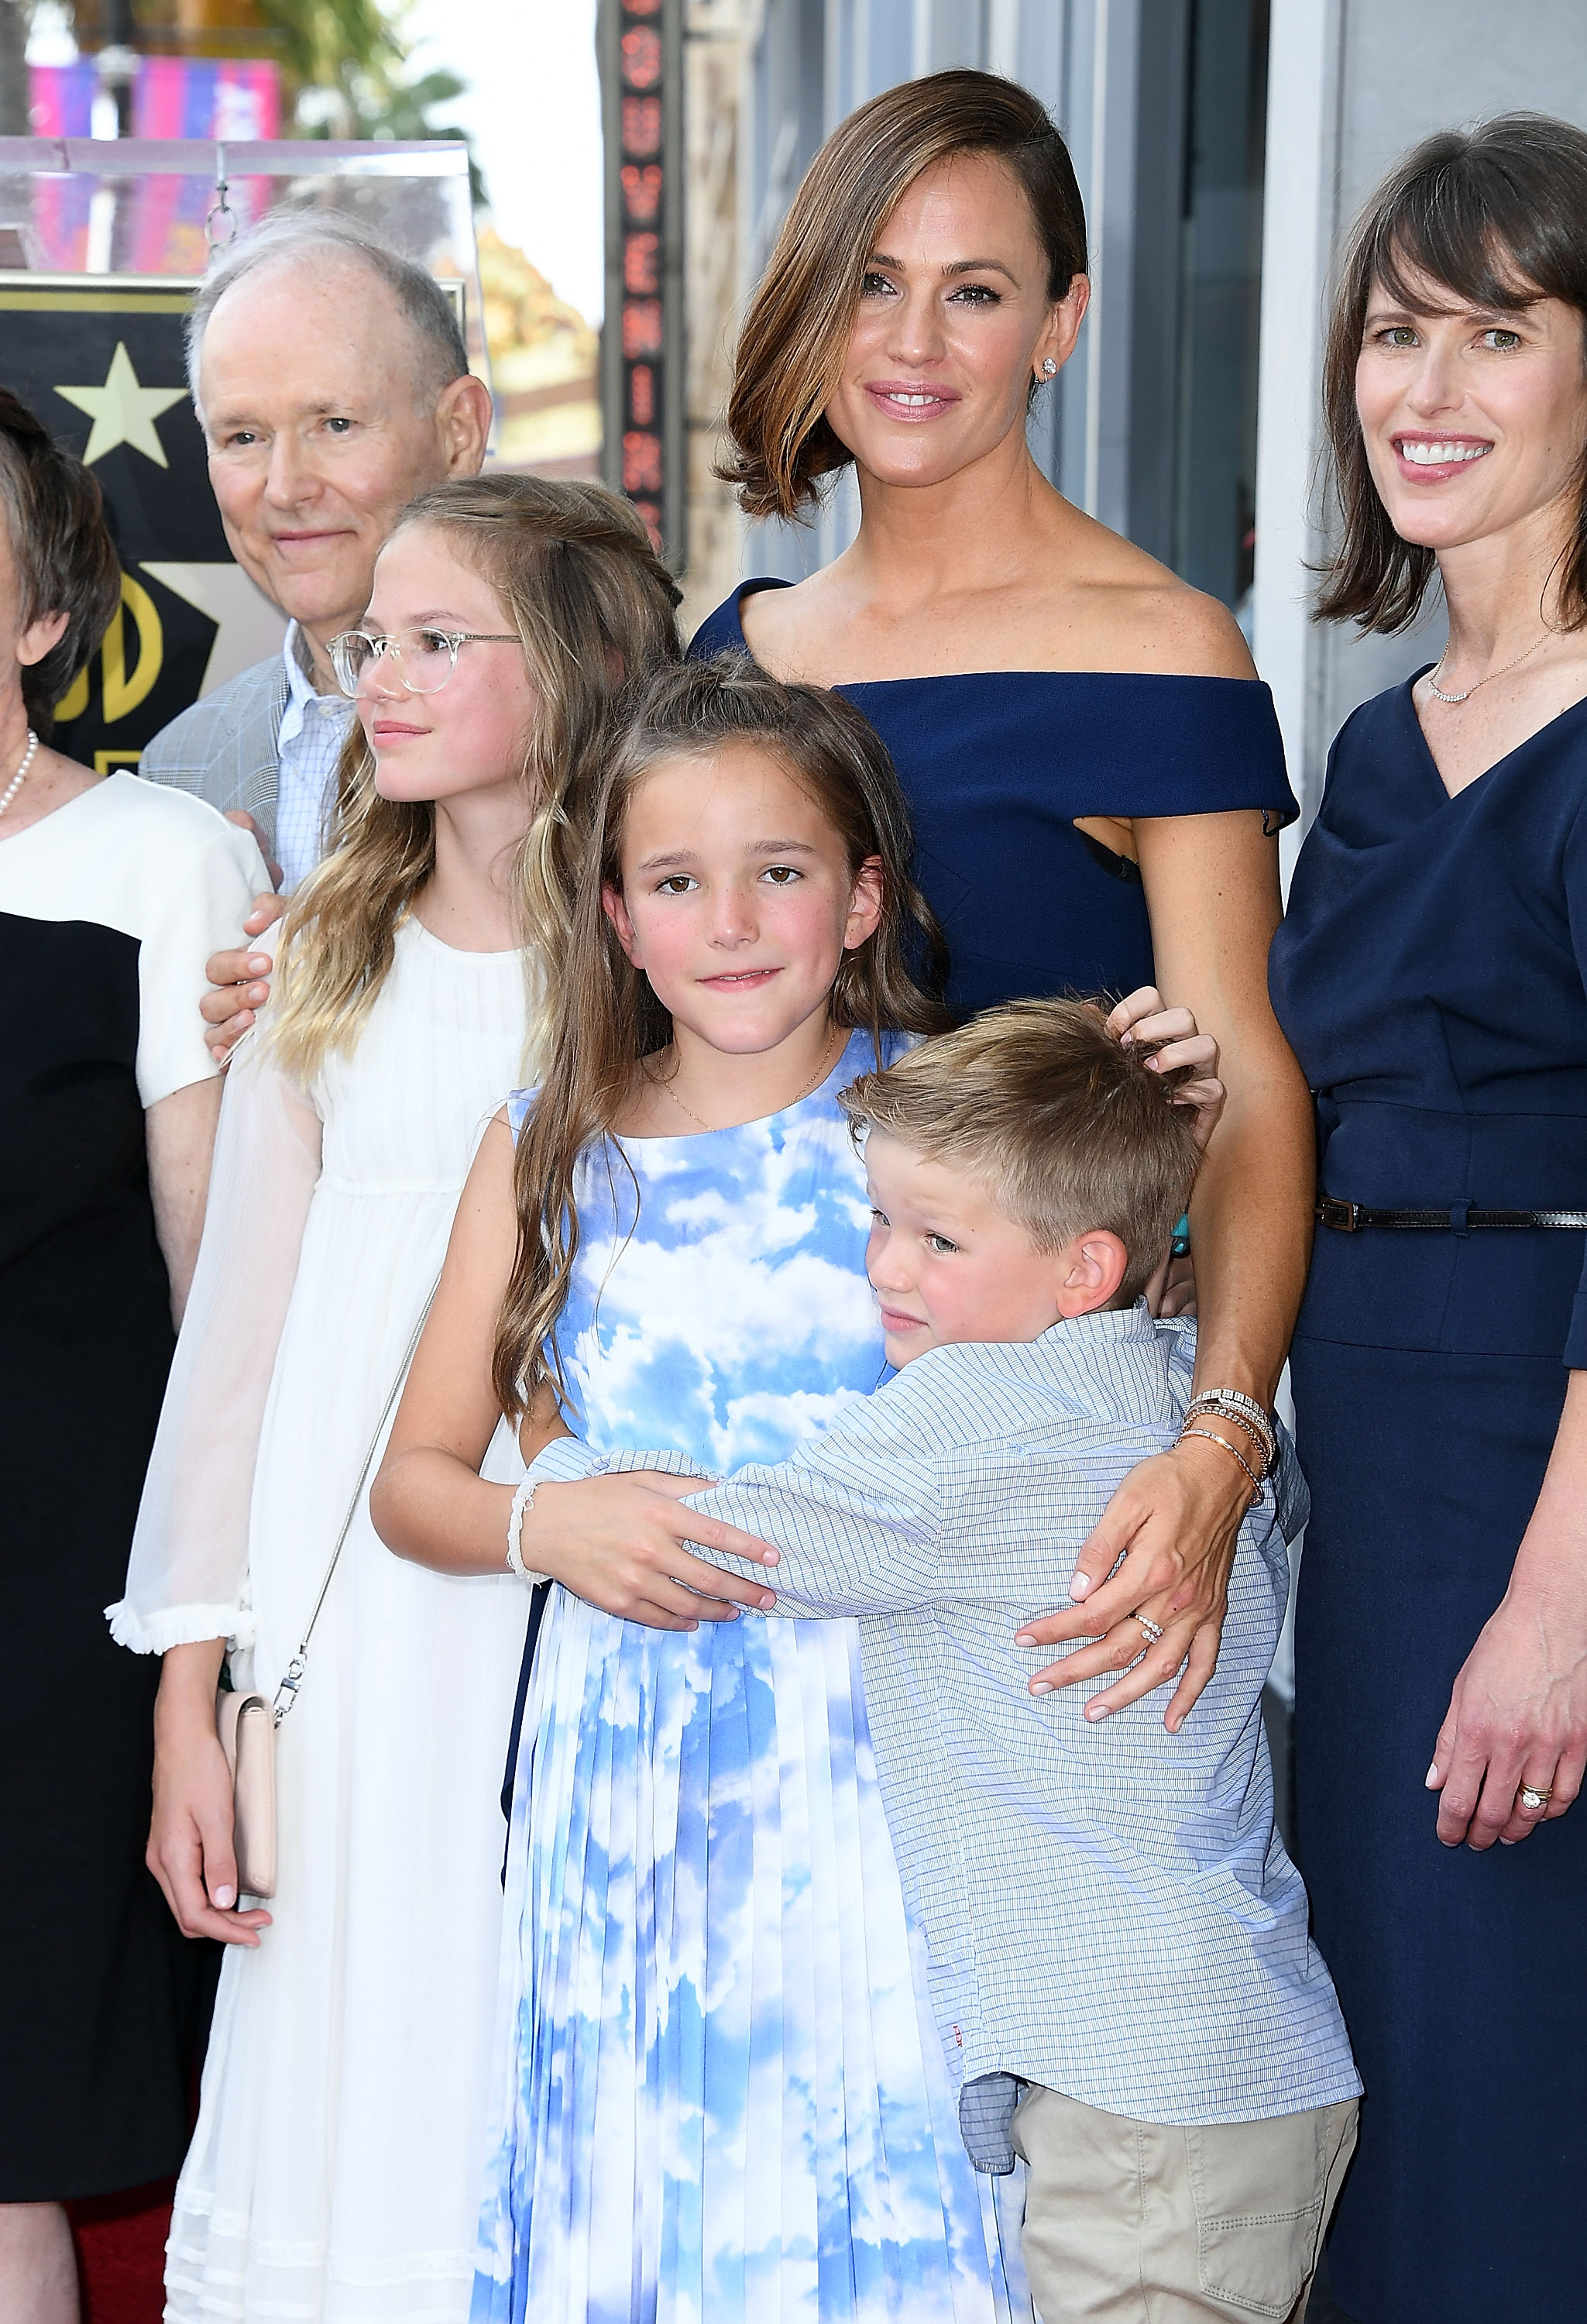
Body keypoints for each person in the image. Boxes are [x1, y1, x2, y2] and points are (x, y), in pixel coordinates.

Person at [372, 659, 1222, 2323]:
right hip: (631, 1795)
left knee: (889, 2176)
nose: (734, 918)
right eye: (678, 881)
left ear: (863, 898)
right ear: (616, 918)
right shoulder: (545, 1141)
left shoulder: (948, 1122)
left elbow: (1093, 1384)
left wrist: (1156, 1175)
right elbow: (413, 1485)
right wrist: (554, 1525)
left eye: (781, 871)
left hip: (898, 1763)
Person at [524, 999, 1361, 2324]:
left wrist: (549, 1456)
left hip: (1134, 2102)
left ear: (1082, 1268)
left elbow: (722, 1539)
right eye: (877, 1221)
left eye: (935, 1238)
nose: (885, 1269)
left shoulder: (969, 1415)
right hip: (1236, 2064)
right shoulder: (1159, 1389)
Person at [111, 476, 682, 2324]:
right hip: (337, 1624)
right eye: (377, 642)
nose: (385, 676)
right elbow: (235, 1357)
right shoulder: (320, 968)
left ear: (581, 665)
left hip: (584, 1600)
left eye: (443, 640)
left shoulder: (665, 966)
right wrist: (190, 1696)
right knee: (348, 2046)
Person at [692, 70, 1314, 1727]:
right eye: (871, 283)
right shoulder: (731, 657)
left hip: (1040, 1449)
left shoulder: (1159, 650)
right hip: (743, 1422)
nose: (911, 343)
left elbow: (1246, 1082)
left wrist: (1222, 1435)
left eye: (973, 292)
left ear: (1058, 323)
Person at [1267, 117, 1587, 2324]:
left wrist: (1559, 1607)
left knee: (1503, 2092)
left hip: (1538, 1477)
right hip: (1364, 1470)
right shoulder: (1381, 748)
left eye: (1499, 330)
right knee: (1373, 2075)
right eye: (1397, 331)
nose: (1426, 387)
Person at [0, 389, 266, 2324]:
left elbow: (225, 1275)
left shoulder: (169, 861)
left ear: (39, 608)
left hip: (49, 1600)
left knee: (13, 2131)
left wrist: (217, 1643)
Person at [140, 208, 492, 1051]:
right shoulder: (178, 773)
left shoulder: (605, 722)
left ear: (458, 433)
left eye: (335, 424)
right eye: (244, 436)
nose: (285, 487)